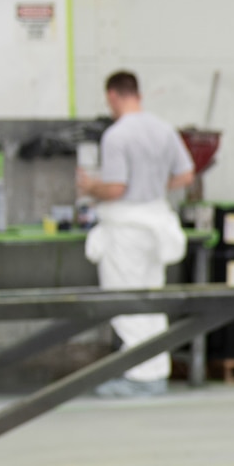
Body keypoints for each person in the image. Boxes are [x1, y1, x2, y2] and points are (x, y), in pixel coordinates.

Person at [77, 70, 193, 398]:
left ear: (112, 95)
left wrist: (90, 186)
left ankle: (141, 378)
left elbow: (116, 187)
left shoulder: (117, 135)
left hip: (127, 230)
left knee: (126, 304)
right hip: (156, 224)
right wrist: (155, 187)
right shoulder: (164, 130)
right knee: (151, 302)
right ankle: (154, 372)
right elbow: (185, 176)